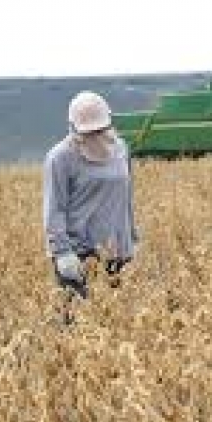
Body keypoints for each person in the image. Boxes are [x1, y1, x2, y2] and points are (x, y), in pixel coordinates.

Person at [43, 91, 139, 301]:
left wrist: (132, 237)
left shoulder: (121, 149)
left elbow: (126, 196)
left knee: (119, 322)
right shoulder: (60, 158)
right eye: (89, 132)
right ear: (74, 128)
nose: (95, 135)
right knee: (78, 326)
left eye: (100, 129)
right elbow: (54, 209)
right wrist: (62, 254)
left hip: (118, 253)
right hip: (80, 256)